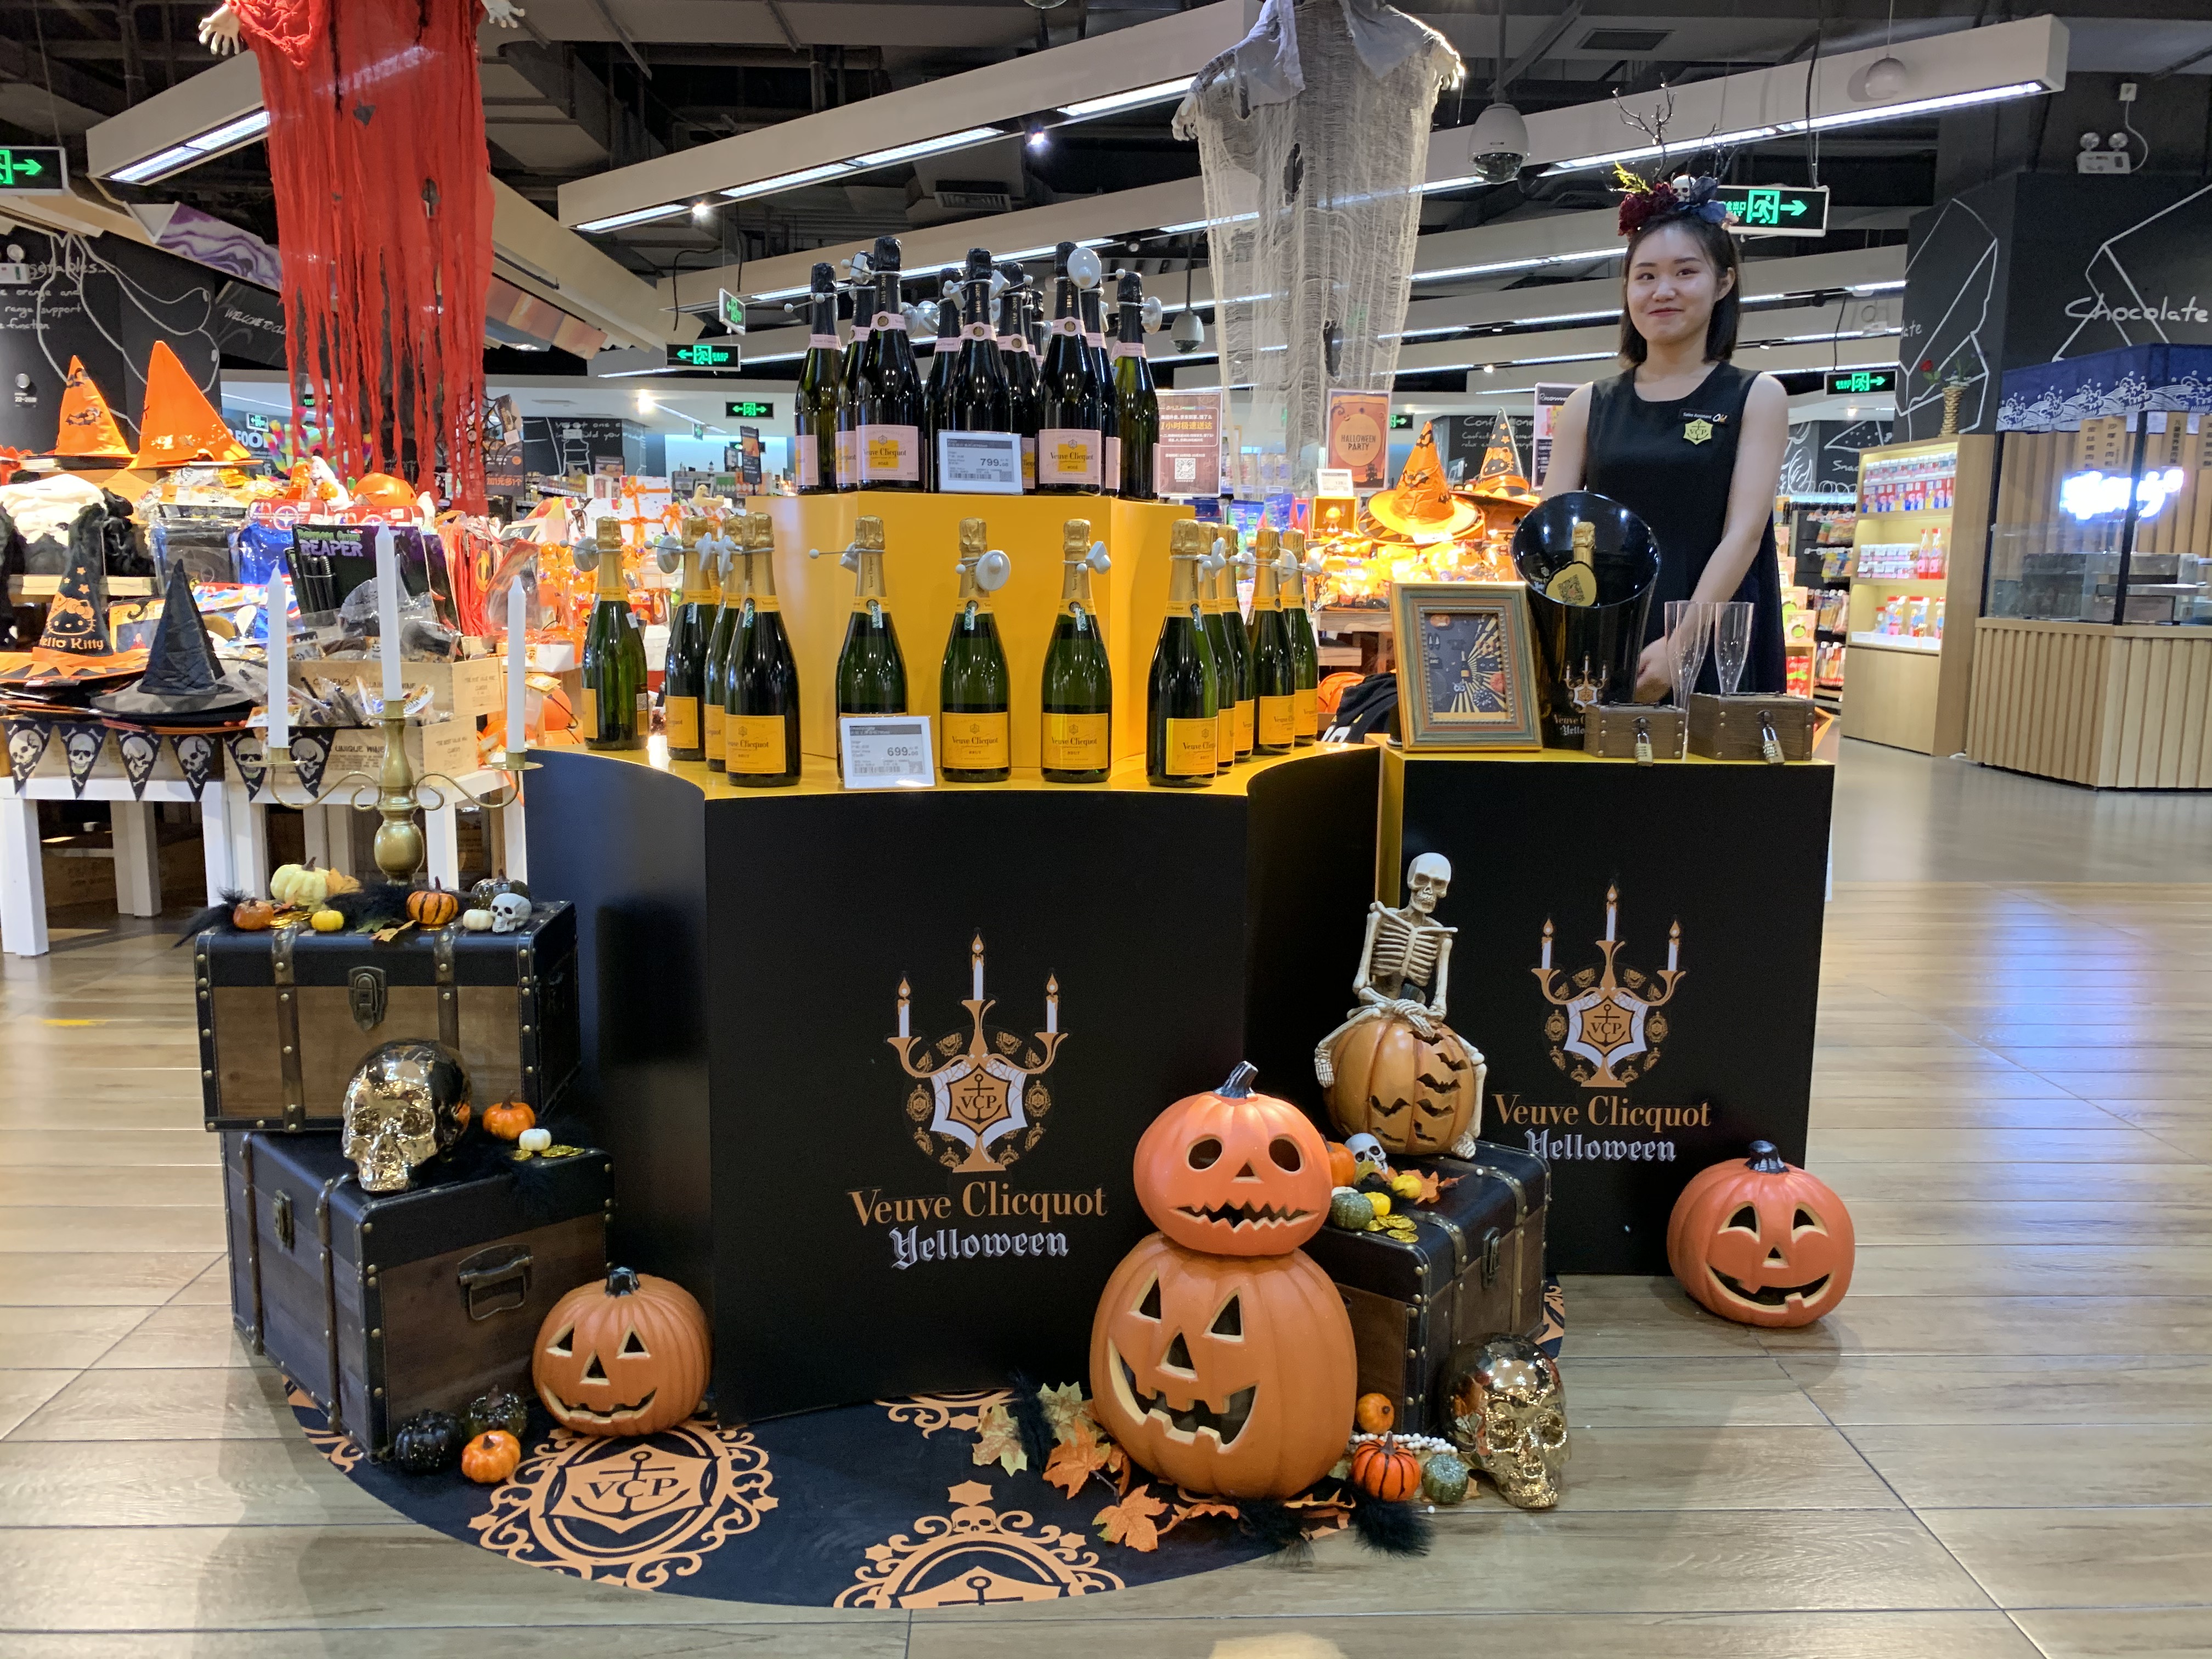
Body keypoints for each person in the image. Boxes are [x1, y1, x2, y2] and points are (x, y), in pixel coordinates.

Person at [1538, 177, 1789, 698]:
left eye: (1686, 272)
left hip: (1712, 631)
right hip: (1599, 633)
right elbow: (1552, 536)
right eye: (1645, 276)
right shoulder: (1587, 404)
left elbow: (1744, 534)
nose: (1663, 291)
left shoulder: (1756, 396)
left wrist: (1683, 644)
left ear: (1724, 282)